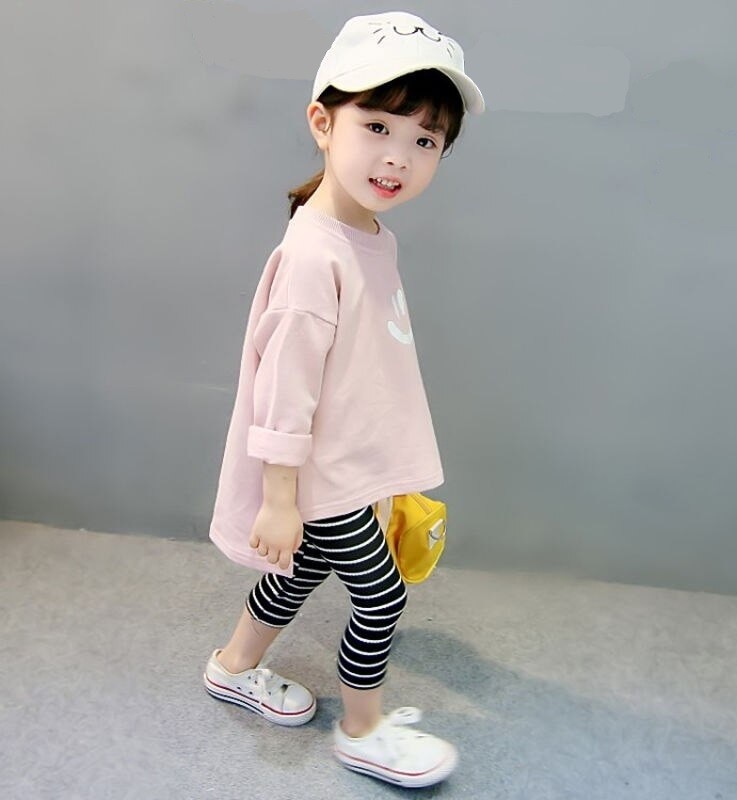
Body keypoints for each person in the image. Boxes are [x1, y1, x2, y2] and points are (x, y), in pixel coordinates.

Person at [204, 10, 484, 789]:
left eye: (426, 140)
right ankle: (363, 730)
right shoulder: (313, 257)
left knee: (298, 576)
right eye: (379, 126)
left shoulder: (368, 237)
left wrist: (378, 473)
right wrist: (279, 500)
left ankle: (233, 666)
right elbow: (284, 393)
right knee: (382, 596)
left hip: (345, 467)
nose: (399, 156)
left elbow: (357, 374)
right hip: (319, 477)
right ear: (323, 123)